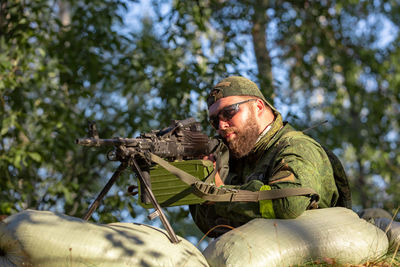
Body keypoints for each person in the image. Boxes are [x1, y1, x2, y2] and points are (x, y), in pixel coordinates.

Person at [190, 76, 351, 237]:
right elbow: (211, 227)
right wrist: (197, 182)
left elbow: (288, 204)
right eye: (214, 120)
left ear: (259, 107)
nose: (221, 126)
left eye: (228, 112)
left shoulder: (297, 147)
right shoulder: (235, 158)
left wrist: (219, 193)